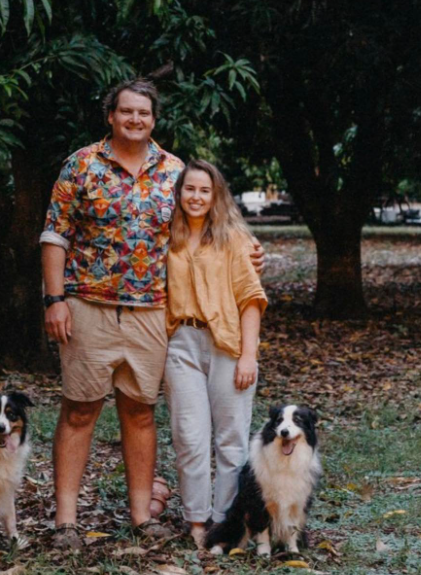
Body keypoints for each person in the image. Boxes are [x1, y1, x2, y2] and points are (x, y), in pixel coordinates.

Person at [41, 79, 265, 550]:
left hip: (151, 312)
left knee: (140, 412)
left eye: (144, 113)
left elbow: (208, 226)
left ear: (154, 119)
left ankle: (143, 516)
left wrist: (250, 253)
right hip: (88, 305)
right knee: (80, 410)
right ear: (111, 115)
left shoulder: (174, 171)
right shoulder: (81, 165)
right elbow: (55, 235)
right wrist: (54, 298)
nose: (135, 120)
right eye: (127, 112)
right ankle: (66, 522)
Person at [163, 159, 268, 549]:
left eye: (204, 190)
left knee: (231, 439)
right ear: (179, 193)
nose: (196, 197)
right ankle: (196, 520)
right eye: (189, 189)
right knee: (189, 436)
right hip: (181, 344)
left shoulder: (234, 237)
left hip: (228, 343)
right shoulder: (166, 238)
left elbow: (251, 299)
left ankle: (224, 523)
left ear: (216, 195)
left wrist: (248, 355)